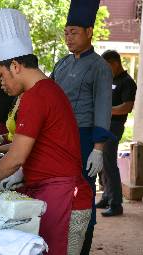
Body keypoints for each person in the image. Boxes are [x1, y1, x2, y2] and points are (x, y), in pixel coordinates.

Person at [0, 9, 92, 255]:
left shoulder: (37, 95)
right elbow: (40, 148)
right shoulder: (43, 90)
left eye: (1, 75)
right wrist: (18, 175)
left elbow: (15, 157)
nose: (2, 83)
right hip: (52, 193)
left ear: (15, 65)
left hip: (66, 198)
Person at [50, 0, 113, 253]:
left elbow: (103, 107)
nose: (69, 38)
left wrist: (98, 149)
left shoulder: (100, 67)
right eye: (66, 33)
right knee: (58, 192)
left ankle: (82, 246)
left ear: (89, 32)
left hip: (85, 139)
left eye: (74, 32)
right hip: (58, 139)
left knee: (82, 195)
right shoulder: (63, 63)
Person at [96, 50, 137, 217]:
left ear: (115, 63)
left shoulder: (127, 82)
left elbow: (127, 106)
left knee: (110, 164)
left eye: (106, 66)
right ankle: (106, 196)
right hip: (102, 125)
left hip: (114, 127)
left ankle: (116, 204)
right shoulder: (109, 79)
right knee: (103, 163)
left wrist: (107, 110)